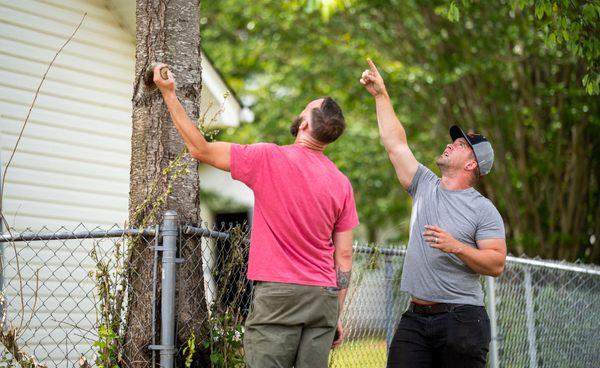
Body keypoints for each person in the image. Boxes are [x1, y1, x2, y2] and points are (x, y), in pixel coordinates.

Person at [153, 64, 359, 368]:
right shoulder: (341, 183)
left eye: (305, 109)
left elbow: (201, 149)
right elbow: (343, 257)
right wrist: (335, 315)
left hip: (279, 295)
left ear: (304, 125)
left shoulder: (268, 158)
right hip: (323, 299)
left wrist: (169, 94)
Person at [360, 59, 506, 368]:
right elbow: (396, 145)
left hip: (462, 321)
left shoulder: (484, 209)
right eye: (453, 140)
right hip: (415, 318)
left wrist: (457, 246)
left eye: (460, 145)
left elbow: (496, 263)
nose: (450, 145)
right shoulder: (425, 184)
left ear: (472, 165)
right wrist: (381, 95)